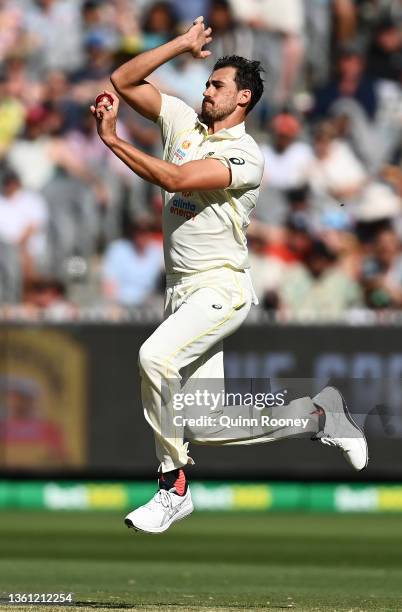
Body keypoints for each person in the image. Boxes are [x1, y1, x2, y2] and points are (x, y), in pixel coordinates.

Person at [90, 16, 368, 534]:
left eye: (218, 85)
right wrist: (182, 44)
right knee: (207, 425)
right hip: (180, 292)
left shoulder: (246, 156)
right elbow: (124, 81)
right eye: (208, 81)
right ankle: (320, 416)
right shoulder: (182, 123)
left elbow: (175, 178)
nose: (207, 89)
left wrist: (113, 141)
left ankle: (172, 488)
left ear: (242, 99)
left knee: (154, 356)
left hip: (221, 287)